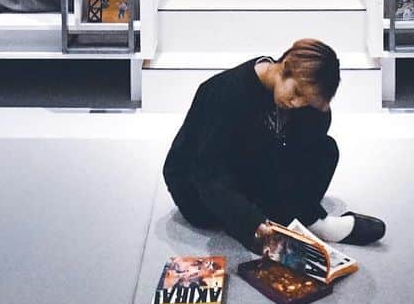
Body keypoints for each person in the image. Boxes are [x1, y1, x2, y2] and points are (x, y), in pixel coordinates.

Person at [163, 40, 385, 251]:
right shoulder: (225, 92)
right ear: (285, 67)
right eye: (297, 93)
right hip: (197, 188)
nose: (296, 103)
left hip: (248, 167)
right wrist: (252, 223)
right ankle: (304, 221)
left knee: (326, 150)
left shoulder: (294, 98)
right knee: (258, 176)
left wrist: (316, 107)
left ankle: (299, 217)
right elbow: (208, 173)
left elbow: (306, 143)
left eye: (305, 100)